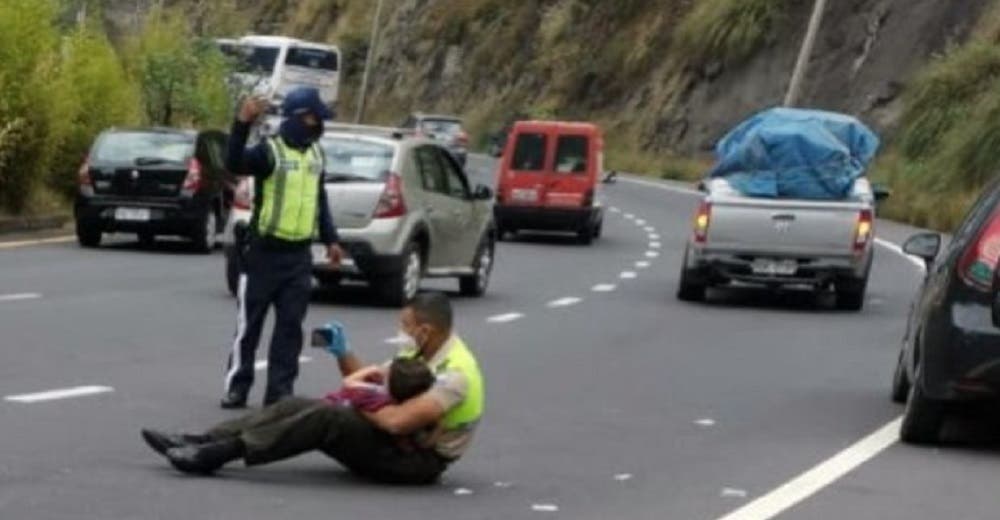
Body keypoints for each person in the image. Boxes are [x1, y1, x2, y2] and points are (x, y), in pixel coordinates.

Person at [141, 293, 485, 485]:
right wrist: (343, 353)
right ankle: (202, 440)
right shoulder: (416, 351)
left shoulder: (456, 374)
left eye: (406, 327)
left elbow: (396, 422)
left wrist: (355, 398)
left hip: (415, 461)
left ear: (426, 330)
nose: (402, 332)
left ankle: (218, 455)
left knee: (327, 416)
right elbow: (368, 382)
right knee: (294, 403)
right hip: (393, 443)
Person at [221, 87, 345, 409]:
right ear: (295, 118)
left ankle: (279, 392)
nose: (318, 124)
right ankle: (238, 385)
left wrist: (331, 239)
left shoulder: (317, 155)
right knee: (250, 326)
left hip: (299, 257)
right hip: (263, 253)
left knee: (290, 329)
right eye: (312, 117)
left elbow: (320, 201)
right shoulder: (269, 152)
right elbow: (234, 161)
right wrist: (241, 123)